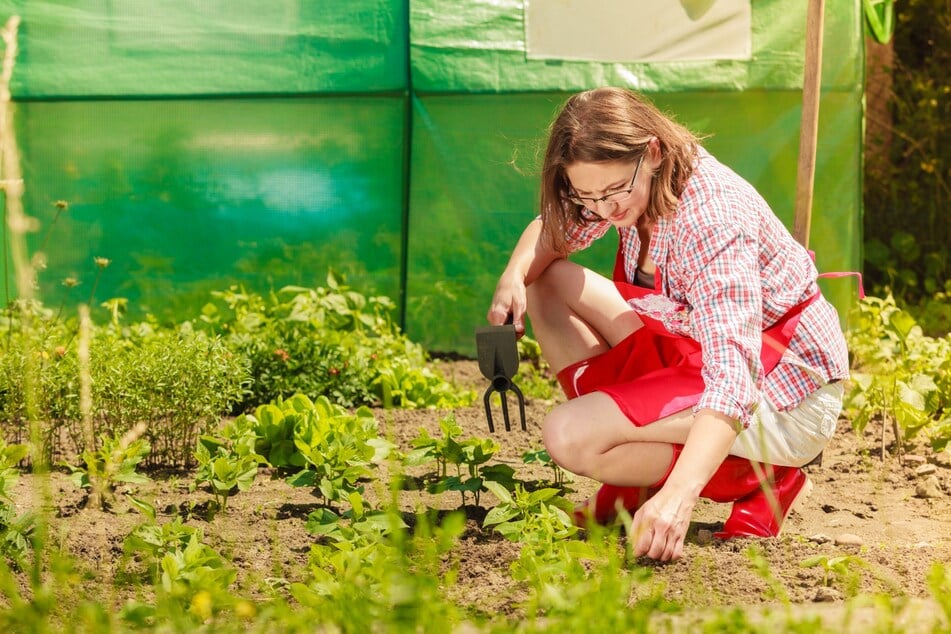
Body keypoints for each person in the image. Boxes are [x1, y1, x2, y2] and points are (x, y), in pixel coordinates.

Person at [486, 87, 849, 562]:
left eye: (614, 190)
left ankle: (766, 475)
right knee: (547, 284)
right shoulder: (623, 188)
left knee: (569, 435)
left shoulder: (713, 221)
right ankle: (631, 473)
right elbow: (554, 228)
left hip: (780, 388)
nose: (604, 210)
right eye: (587, 195)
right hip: (694, 346)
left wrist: (678, 497)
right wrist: (513, 276)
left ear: (652, 151)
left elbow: (734, 379)